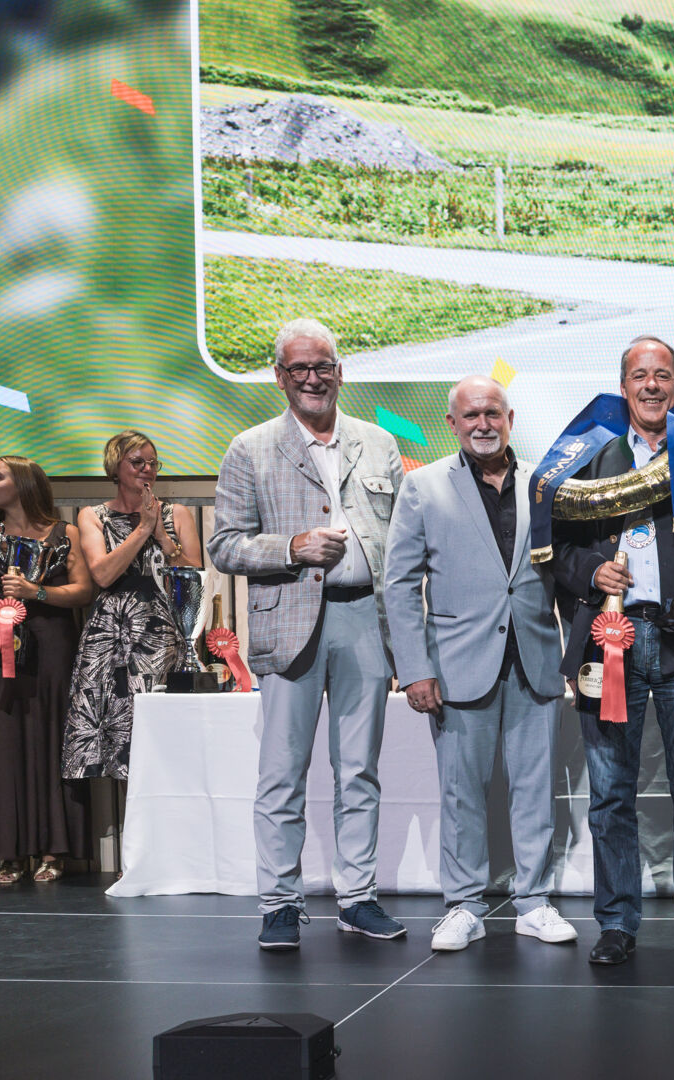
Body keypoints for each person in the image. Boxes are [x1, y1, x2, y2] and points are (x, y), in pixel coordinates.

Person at [208, 318, 406, 950]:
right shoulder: (250, 448)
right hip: (288, 624)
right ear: (280, 377)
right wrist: (292, 547)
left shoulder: (377, 445)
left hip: (364, 621)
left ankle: (358, 897)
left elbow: (403, 547)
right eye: (300, 369)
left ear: (340, 371)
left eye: (323, 366)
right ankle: (281, 902)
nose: (313, 378)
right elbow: (223, 546)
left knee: (360, 772)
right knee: (282, 773)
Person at [551, 335, 674, 967]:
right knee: (610, 794)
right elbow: (559, 548)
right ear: (624, 386)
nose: (652, 386)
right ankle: (616, 923)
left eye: (663, 375)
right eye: (640, 375)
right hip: (609, 644)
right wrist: (591, 574)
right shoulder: (590, 459)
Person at [382, 376, 575, 953]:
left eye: (492, 413)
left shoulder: (546, 485)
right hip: (456, 668)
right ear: (453, 424)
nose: (483, 424)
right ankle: (463, 904)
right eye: (471, 416)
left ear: (510, 416)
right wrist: (414, 668)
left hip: (534, 661)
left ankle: (534, 901)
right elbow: (398, 585)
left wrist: (576, 658)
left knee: (534, 790)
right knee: (461, 792)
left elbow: (563, 570)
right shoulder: (421, 488)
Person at [0, 456, 96, 883]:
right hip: (1, 650)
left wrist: (35, 591)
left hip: (54, 647)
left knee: (53, 737)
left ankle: (54, 850)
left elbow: (82, 591)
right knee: (2, 742)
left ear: (21, 484)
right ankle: (9, 853)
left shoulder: (67, 534)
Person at [63, 431, 201, 786]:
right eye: (137, 462)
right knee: (119, 732)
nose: (147, 469)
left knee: (167, 740)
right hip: (112, 637)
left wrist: (164, 538)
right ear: (115, 466)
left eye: (153, 463)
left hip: (161, 632)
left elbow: (194, 576)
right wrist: (142, 529)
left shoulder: (178, 513)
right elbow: (104, 575)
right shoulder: (92, 516)